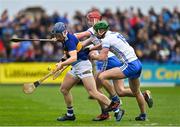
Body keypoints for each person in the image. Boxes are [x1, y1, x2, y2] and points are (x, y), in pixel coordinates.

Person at [75, 11, 153, 121]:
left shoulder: (106, 38)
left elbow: (102, 57)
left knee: (101, 77)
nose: (96, 34)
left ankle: (115, 101)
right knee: (133, 91)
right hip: (137, 63)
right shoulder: (114, 34)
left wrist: (93, 56)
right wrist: (91, 48)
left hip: (129, 65)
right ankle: (143, 115)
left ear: (101, 31)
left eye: (97, 32)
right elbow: (103, 45)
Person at [51, 22, 121, 121]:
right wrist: (60, 64)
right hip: (76, 67)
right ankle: (70, 115)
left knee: (93, 92)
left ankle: (117, 109)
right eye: (55, 35)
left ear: (64, 32)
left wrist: (61, 65)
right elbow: (67, 55)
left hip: (83, 66)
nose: (57, 37)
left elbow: (73, 57)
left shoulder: (69, 41)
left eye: (58, 35)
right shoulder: (64, 39)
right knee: (64, 89)